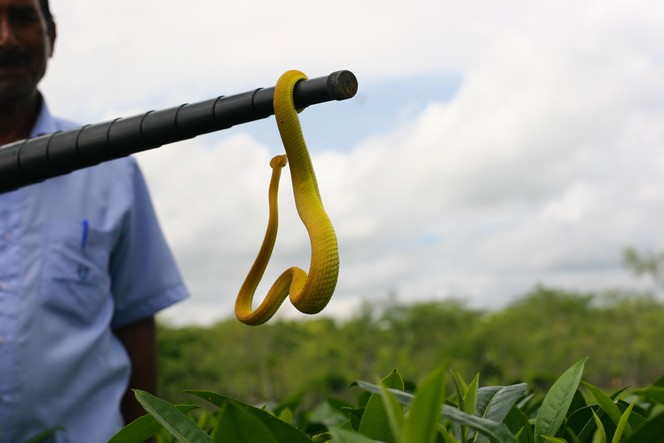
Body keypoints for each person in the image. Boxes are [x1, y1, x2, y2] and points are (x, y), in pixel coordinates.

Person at [0, 0, 189, 441]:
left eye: (23, 17)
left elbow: (135, 324)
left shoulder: (108, 168)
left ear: (51, 34)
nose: (6, 37)